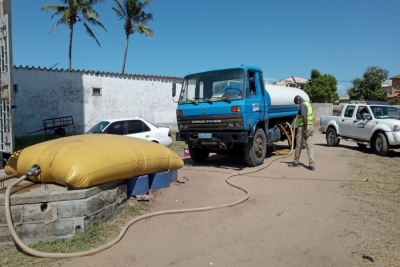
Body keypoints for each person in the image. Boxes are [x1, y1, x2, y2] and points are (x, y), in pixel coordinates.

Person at [288, 95, 315, 171]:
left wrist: (305, 130)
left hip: (304, 127)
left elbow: (305, 117)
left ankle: (296, 162)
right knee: (309, 146)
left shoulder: (302, 105)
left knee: (298, 145)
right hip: (311, 126)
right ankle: (312, 165)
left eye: (297, 102)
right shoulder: (308, 104)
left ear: (299, 99)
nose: (297, 104)